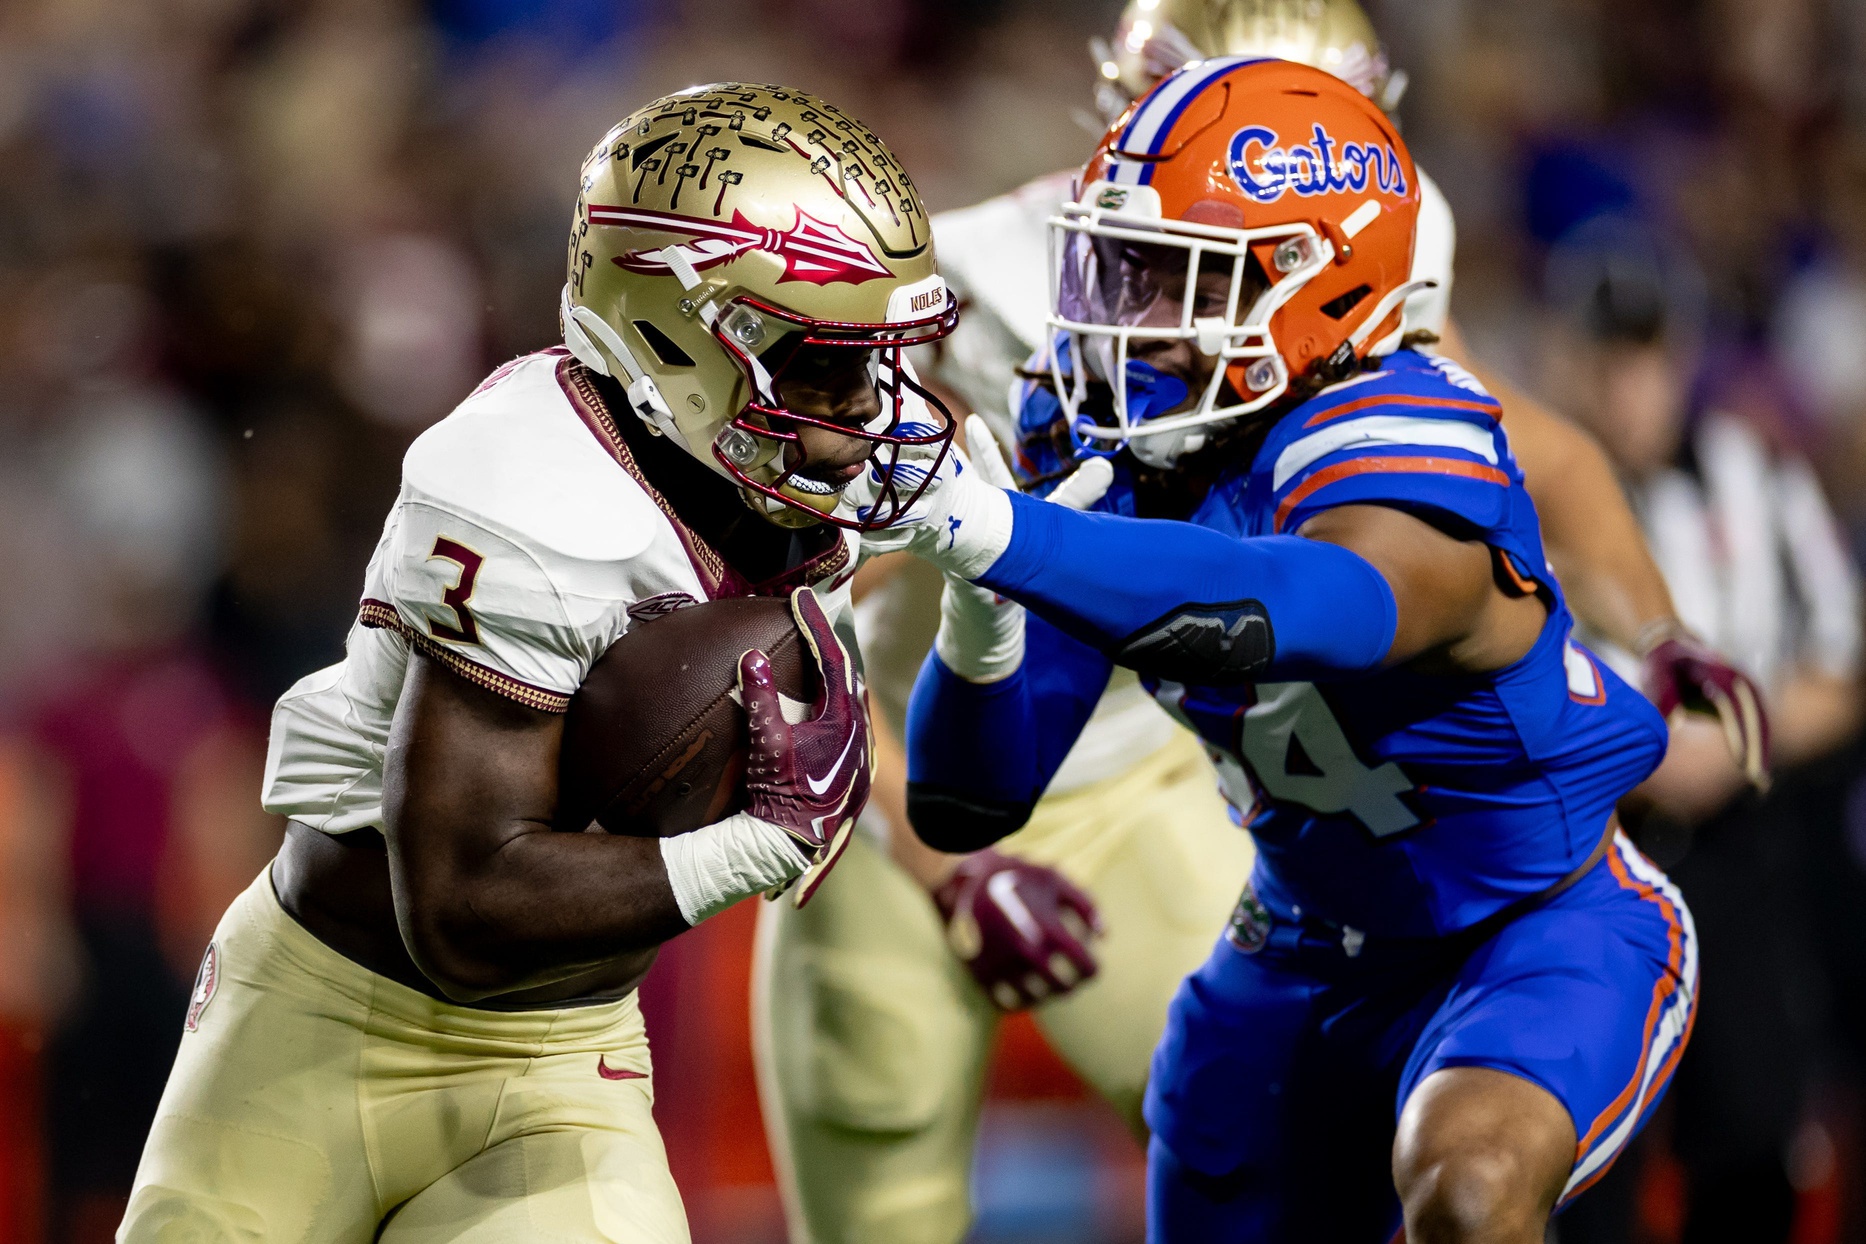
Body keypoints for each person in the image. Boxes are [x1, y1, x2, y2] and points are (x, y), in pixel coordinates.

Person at [753, 4, 1762, 1243]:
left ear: (1309, 283)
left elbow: (1285, 610)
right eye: (1118, 265)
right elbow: (979, 793)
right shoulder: (1123, 444)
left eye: (1175, 275)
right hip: (1289, 950)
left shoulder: (1407, 441)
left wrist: (1004, 530)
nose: (1124, 312)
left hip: (1527, 922)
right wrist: (977, 590)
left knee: (1470, 1185)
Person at [118, 82, 947, 1242]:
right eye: (818, 363)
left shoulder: (815, 474)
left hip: (559, 1066)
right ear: (675, 329)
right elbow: (457, 906)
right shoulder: (525, 490)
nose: (858, 412)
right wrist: (753, 845)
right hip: (320, 1022)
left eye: (876, 363)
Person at [1551, 231, 1862, 1244]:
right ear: (1568, 361)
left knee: (1754, 1140)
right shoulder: (1527, 491)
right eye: (1605, 357)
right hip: (1586, 859)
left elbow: (1842, 670)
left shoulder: (1756, 475)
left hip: (1739, 854)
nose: (1626, 385)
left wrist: (1733, 746)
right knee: (1588, 1158)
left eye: (1643, 355)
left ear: (1680, 355)